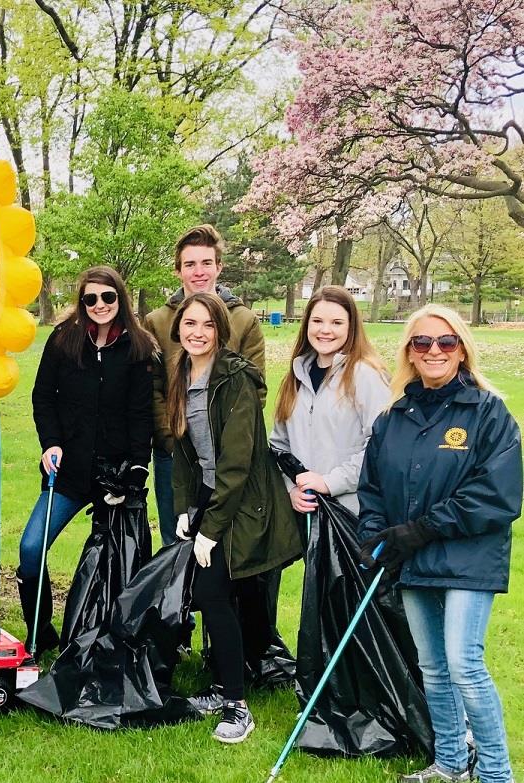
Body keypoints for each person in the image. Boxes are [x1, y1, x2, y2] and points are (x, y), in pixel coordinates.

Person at [358, 304, 520, 783]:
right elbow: (373, 487)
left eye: (445, 342)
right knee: (433, 668)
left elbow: (497, 494)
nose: (434, 351)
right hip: (412, 557)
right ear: (409, 351)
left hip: (468, 556)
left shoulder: (488, 412)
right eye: (422, 342)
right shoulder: (393, 417)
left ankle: (496, 773)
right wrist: (375, 536)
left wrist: (422, 529)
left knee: (464, 664)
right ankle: (451, 762)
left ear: (462, 349)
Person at [169, 293, 300, 744]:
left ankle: (236, 706)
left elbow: (237, 463)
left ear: (220, 330)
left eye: (206, 325)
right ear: (179, 328)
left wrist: (210, 529)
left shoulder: (237, 378)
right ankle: (227, 683)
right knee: (225, 594)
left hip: (243, 500)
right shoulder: (181, 375)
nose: (197, 332)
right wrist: (187, 508)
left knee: (211, 590)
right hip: (209, 493)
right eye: (190, 324)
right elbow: (183, 453)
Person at [22, 265, 155, 655]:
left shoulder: (138, 347)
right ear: (81, 303)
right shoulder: (63, 340)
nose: (100, 305)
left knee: (120, 561)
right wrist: (50, 443)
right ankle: (39, 629)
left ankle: (111, 636)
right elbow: (42, 397)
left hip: (116, 475)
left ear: (120, 298)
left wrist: (136, 467)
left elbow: (141, 415)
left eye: (108, 297)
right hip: (68, 472)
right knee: (32, 547)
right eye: (91, 298)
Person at [145, 224, 264, 546]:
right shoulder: (157, 322)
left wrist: (227, 444)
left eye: (206, 263)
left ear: (219, 267)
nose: (199, 272)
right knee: (177, 539)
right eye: (190, 264)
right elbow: (153, 389)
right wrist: (173, 439)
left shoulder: (243, 320)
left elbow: (256, 391)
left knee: (221, 542)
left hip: (227, 457)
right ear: (178, 270)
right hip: (175, 450)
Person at [269, 286, 390, 515]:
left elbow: (381, 446)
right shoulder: (296, 376)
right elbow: (279, 445)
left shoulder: (366, 375)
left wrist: (330, 483)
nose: (325, 330)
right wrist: (291, 488)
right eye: (317, 321)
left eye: (336, 323)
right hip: (308, 513)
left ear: (351, 327)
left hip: (352, 513)